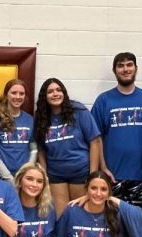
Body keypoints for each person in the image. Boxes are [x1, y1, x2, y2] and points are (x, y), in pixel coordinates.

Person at [92, 52, 142, 199]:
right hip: (112, 176)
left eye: (129, 65)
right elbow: (96, 139)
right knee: (113, 221)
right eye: (120, 66)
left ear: (136, 68)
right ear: (114, 70)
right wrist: (103, 168)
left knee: (138, 221)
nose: (125, 69)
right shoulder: (103, 100)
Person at [35, 77, 103, 217]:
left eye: (59, 90)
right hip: (56, 175)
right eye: (50, 92)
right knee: (62, 218)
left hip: (81, 173)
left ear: (64, 93)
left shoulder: (79, 111)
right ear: (44, 97)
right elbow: (41, 151)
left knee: (81, 216)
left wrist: (93, 175)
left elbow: (95, 142)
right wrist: (44, 176)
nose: (55, 94)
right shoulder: (40, 117)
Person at [0, 78, 34, 179]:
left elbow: (34, 149)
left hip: (23, 178)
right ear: (6, 95)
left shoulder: (30, 119)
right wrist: (8, 178)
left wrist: (26, 173)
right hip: (0, 177)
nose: (18, 97)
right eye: (14, 93)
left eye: (21, 93)